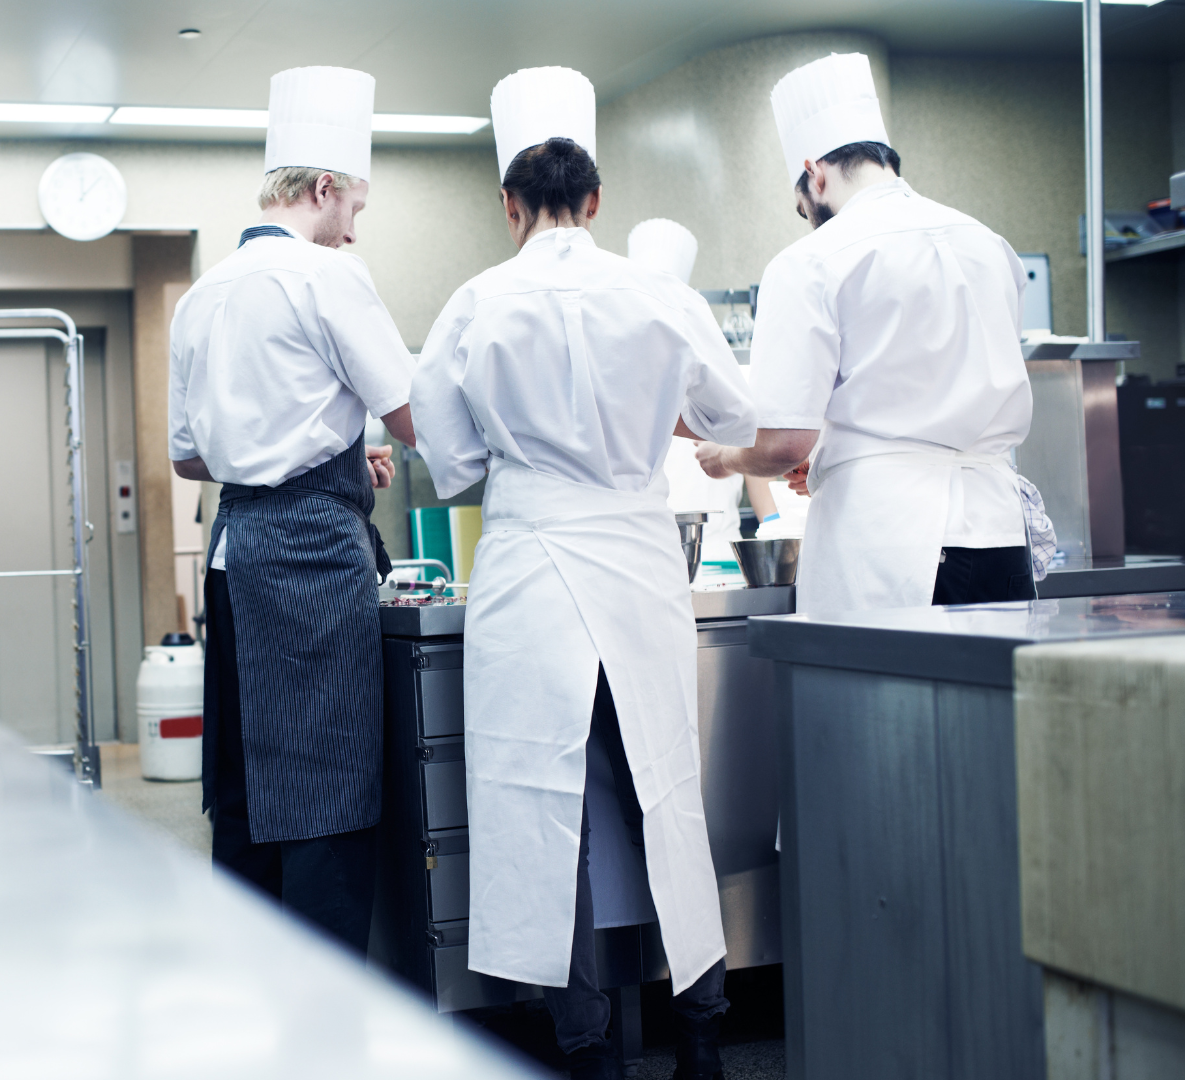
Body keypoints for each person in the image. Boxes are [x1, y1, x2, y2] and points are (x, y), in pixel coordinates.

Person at [411, 66, 754, 1080]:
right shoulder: (658, 294)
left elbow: (455, 461)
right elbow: (737, 415)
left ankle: (585, 1048)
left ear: (509, 206)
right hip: (638, 557)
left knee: (534, 812)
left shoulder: (474, 302)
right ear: (596, 202)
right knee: (666, 795)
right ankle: (703, 1037)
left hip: (527, 558)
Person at [168, 65, 416, 953]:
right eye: (355, 202)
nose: (357, 223)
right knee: (326, 784)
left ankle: (253, 989)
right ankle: (326, 1019)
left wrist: (322, 443)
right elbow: (417, 414)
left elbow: (194, 454)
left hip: (235, 555)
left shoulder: (203, 295)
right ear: (322, 189)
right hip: (312, 558)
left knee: (243, 784)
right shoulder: (327, 277)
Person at [694, 52, 1034, 612]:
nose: (807, 218)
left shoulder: (811, 260)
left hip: (893, 545)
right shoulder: (988, 243)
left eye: (803, 206)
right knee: (988, 699)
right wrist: (838, 453)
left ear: (816, 173)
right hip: (999, 533)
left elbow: (783, 443)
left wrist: (726, 457)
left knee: (885, 699)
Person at [631, 218, 747, 569]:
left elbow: (748, 436)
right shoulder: (621, 376)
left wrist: (772, 522)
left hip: (721, 551)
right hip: (645, 552)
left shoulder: (717, 368)